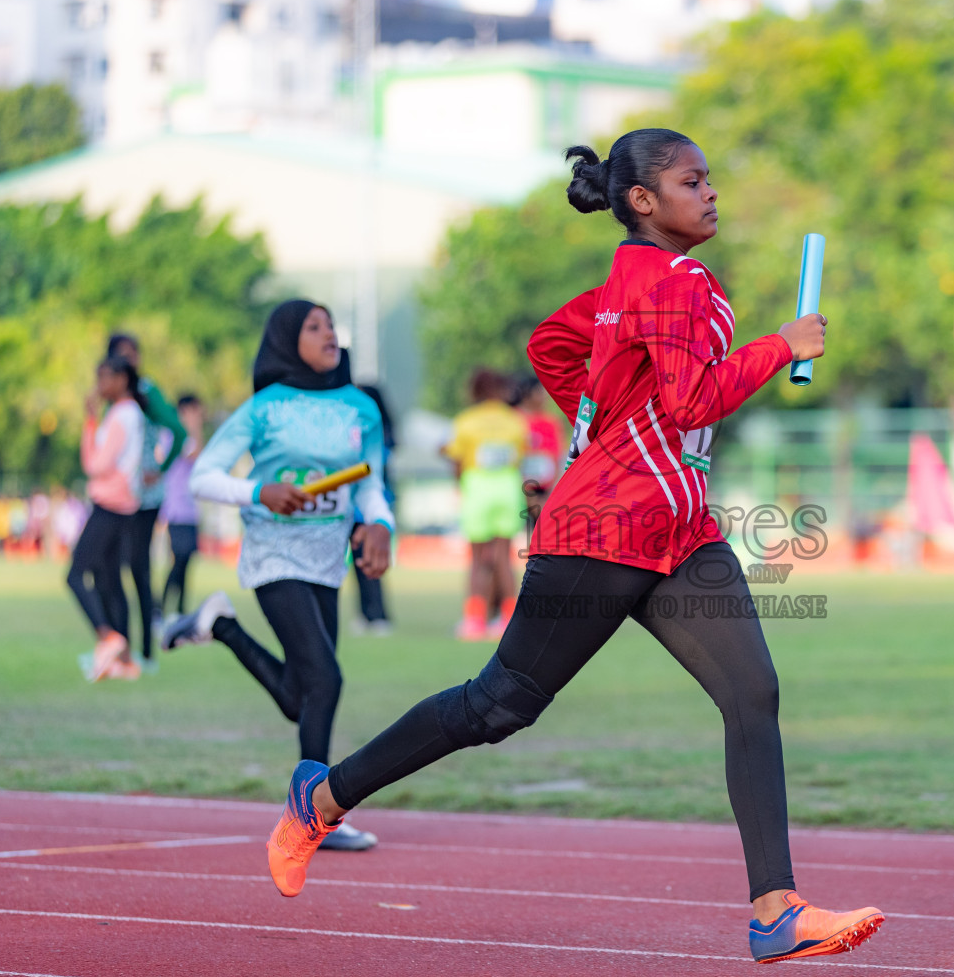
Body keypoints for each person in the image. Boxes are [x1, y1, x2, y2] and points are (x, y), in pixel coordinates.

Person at [260, 129, 884, 964]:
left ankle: (775, 910)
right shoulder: (675, 280)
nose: (710, 193)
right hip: (602, 531)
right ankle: (323, 799)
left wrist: (601, 431)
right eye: (691, 182)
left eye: (709, 180)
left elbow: (551, 347)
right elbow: (694, 400)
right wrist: (782, 346)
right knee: (498, 706)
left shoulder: (632, 283)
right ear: (641, 201)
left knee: (752, 695)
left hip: (678, 532)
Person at [162, 300, 393, 853]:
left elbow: (371, 483)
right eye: (314, 327)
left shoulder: (362, 408)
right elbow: (205, 477)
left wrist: (381, 522)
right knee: (327, 682)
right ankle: (312, 814)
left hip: (327, 560)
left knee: (303, 695)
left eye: (331, 325)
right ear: (288, 340)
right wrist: (259, 492)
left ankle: (220, 625)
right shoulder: (264, 408)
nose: (328, 334)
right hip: (273, 554)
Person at [107, 333, 187, 666]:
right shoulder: (111, 396)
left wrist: (160, 468)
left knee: (137, 567)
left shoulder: (146, 391)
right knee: (108, 566)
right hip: (117, 495)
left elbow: (179, 431)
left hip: (144, 497)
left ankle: (145, 651)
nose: (130, 361)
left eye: (133, 355)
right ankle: (115, 646)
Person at [67, 355, 147, 682]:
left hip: (110, 504)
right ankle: (125, 660)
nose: (99, 386)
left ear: (122, 379)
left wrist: (89, 421)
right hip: (125, 505)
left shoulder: (120, 415)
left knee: (75, 574)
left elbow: (95, 465)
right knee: (110, 581)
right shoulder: (132, 414)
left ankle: (107, 637)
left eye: (105, 378)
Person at [444, 368, 527, 640]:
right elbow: (520, 457)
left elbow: (457, 461)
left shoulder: (466, 421)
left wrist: (461, 487)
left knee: (478, 559)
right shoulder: (515, 420)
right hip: (507, 487)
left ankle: (474, 620)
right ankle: (507, 618)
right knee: (504, 558)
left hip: (477, 488)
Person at [348, 384, 397, 636]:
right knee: (358, 563)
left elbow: (374, 477)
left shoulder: (379, 439)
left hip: (372, 509)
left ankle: (378, 615)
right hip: (352, 507)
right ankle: (366, 613)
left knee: (371, 561)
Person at [159, 394, 204, 616]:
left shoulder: (189, 436)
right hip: (176, 509)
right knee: (179, 558)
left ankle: (180, 610)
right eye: (195, 411)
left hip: (191, 511)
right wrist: (194, 427)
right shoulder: (174, 435)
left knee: (186, 561)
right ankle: (160, 606)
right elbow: (195, 456)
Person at [516, 376, 564, 540]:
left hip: (545, 491)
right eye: (539, 392)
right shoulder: (516, 419)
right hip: (519, 489)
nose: (544, 396)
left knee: (542, 537)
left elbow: (556, 457)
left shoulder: (552, 422)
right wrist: (527, 493)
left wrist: (550, 493)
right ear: (527, 394)